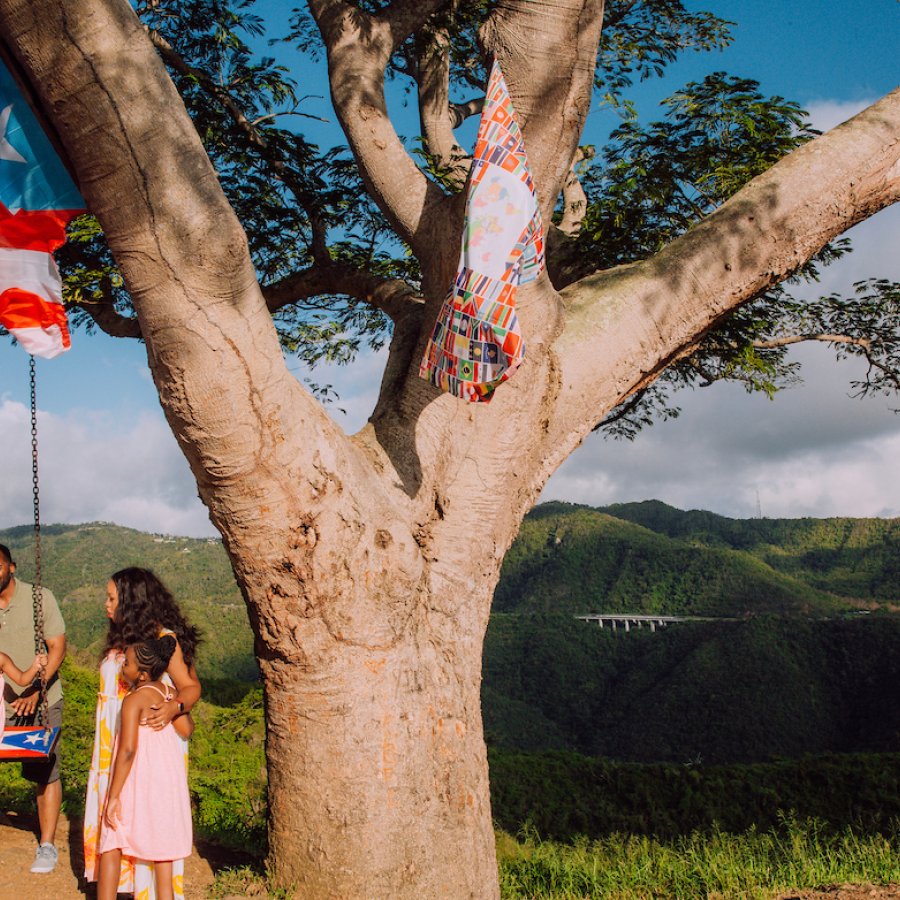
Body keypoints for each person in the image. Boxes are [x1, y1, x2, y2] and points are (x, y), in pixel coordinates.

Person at [83, 567, 201, 900]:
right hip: (111, 744)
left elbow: (191, 687)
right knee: (112, 824)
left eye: (112, 598)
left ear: (132, 601)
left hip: (148, 745)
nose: (106, 605)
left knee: (151, 821)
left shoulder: (162, 641)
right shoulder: (121, 639)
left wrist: (174, 707)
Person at [97, 637, 193, 900]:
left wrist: (114, 795)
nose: (121, 667)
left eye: (126, 663)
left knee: (113, 834)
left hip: (139, 778)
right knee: (163, 853)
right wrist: (172, 709)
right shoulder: (168, 692)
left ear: (141, 674)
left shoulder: (134, 700)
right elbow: (187, 729)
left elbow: (127, 750)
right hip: (166, 779)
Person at [0, 543, 67, 875]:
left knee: (44, 770)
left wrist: (38, 690)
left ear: (11, 567)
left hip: (43, 698)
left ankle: (47, 844)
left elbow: (57, 646)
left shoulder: (39, 597)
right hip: (2, 704)